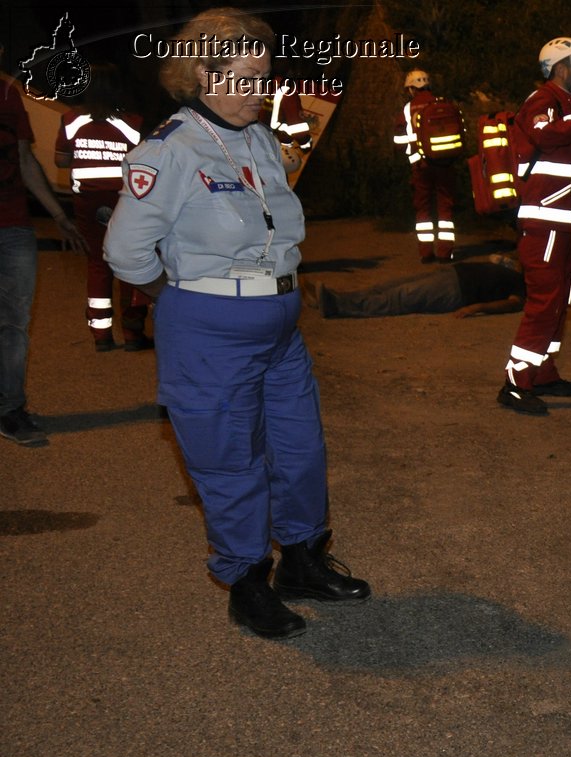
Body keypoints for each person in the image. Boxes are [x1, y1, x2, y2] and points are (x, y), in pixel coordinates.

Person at [105, 6, 370, 640]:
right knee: (230, 463)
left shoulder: (257, 140)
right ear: (202, 72)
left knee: (300, 450)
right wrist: (174, 299)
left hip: (280, 326)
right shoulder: (168, 150)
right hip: (208, 325)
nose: (260, 92)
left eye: (264, 77)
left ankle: (302, 562)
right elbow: (124, 252)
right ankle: (247, 580)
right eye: (246, 79)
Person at [499, 36, 571, 416]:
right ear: (561, 69)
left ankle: (543, 372)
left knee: (559, 303)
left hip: (561, 225)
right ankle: (515, 382)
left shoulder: (568, 105)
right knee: (543, 304)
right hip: (544, 224)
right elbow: (542, 134)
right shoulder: (544, 101)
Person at [1, 44, 87, 447]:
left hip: (13, 225)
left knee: (13, 324)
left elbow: (23, 158)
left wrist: (58, 215)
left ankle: (10, 410)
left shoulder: (8, 96)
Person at [54, 64, 150, 353]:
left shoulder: (71, 120)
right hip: (126, 202)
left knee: (98, 263)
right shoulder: (133, 123)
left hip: (87, 203)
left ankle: (102, 335)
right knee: (131, 262)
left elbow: (60, 161)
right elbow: (143, 165)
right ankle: (133, 333)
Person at [303, 254, 523, 319]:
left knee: (398, 298)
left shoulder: (528, 286)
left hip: (456, 291)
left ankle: (336, 306)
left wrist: (476, 308)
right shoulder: (520, 269)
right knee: (386, 287)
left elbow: (511, 304)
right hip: (452, 274)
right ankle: (333, 297)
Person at [393, 69, 460, 263]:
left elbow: (399, 140)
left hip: (420, 166)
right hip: (446, 163)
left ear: (412, 88)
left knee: (423, 208)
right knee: (446, 207)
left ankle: (426, 253)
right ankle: (446, 252)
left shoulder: (408, 109)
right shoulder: (443, 102)